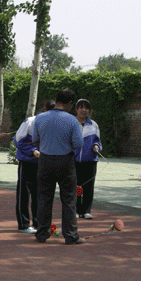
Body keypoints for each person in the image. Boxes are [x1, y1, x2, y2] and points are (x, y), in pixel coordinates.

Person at [32, 89, 85, 245]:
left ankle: (42, 233)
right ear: (70, 103)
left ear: (56, 100)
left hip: (45, 160)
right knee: (69, 199)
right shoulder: (72, 120)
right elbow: (78, 143)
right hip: (65, 161)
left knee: (44, 198)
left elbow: (35, 139)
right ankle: (70, 235)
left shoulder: (40, 117)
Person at [14, 101, 55, 233]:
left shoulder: (54, 125)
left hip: (42, 164)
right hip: (27, 162)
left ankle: (38, 223)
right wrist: (32, 151)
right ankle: (23, 224)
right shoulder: (30, 122)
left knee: (39, 194)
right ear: (44, 109)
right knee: (24, 194)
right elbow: (18, 140)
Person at [74, 99, 102, 220]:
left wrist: (96, 146)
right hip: (74, 161)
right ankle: (76, 209)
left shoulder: (93, 125)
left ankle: (86, 210)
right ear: (76, 109)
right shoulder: (72, 123)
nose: (84, 110)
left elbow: (98, 141)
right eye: (81, 107)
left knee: (88, 187)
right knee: (77, 187)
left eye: (86, 108)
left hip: (90, 161)